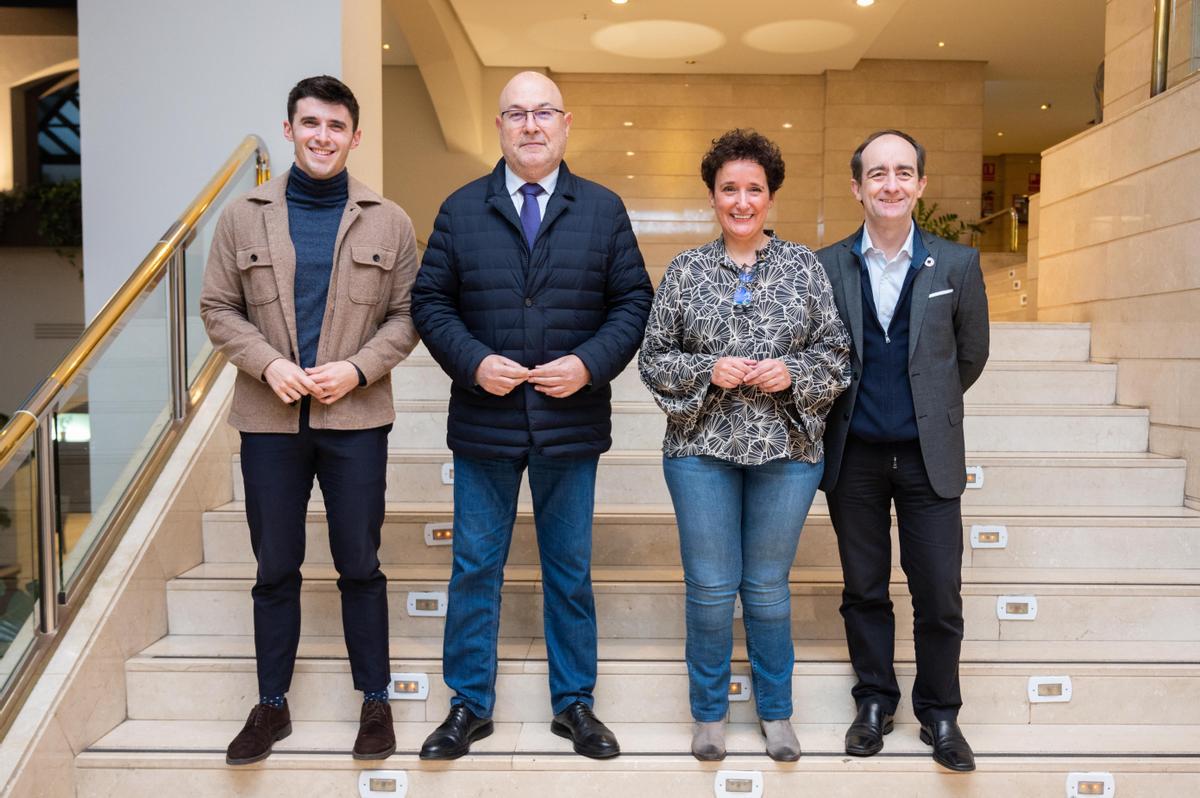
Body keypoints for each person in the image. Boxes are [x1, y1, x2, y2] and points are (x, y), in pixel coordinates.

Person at [411, 71, 652, 761]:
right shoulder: (460, 209)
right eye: (515, 113)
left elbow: (633, 301)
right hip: (485, 423)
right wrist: (472, 360)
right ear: (499, 127)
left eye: (543, 111)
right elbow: (430, 302)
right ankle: (468, 706)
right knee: (474, 566)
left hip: (569, 422)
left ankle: (575, 704)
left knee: (568, 570)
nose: (531, 124)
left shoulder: (603, 210)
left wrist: (589, 363)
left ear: (566, 123)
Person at [200, 75, 419, 764]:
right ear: (290, 130)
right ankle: (271, 707)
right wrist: (269, 364)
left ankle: (375, 702)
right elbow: (217, 308)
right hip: (269, 421)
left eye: (336, 126)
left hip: (356, 420)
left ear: (356, 137)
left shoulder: (391, 220)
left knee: (360, 562)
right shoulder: (242, 216)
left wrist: (356, 370)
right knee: (275, 566)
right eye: (310, 123)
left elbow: (409, 315)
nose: (323, 136)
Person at [639, 129, 850, 762]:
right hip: (700, 448)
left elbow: (835, 353)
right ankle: (708, 714)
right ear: (712, 196)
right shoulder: (684, 270)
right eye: (729, 188)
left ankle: (776, 713)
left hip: (785, 453)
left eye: (753, 189)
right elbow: (653, 359)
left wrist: (795, 374)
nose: (741, 200)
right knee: (709, 586)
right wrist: (706, 370)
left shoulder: (805, 268)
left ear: (771, 196)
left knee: (765, 587)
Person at [816, 129, 989, 772]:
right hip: (853, 455)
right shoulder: (825, 265)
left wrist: (926, 405)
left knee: (939, 591)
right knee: (864, 587)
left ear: (920, 184)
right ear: (857, 187)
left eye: (903, 173)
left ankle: (940, 715)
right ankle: (873, 703)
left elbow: (969, 355)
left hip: (928, 456)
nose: (891, 184)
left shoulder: (958, 264)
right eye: (878, 174)